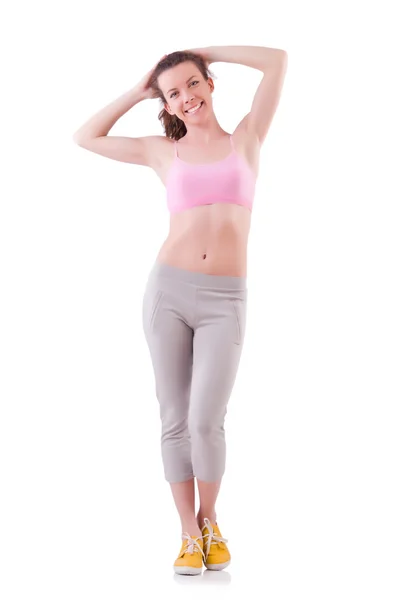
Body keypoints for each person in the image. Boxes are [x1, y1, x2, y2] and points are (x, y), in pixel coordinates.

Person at [73, 45, 288, 575]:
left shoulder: (248, 138)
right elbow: (85, 137)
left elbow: (278, 60)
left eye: (193, 84)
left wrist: (204, 51)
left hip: (225, 300)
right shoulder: (161, 152)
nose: (186, 98)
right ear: (165, 105)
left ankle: (209, 518)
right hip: (168, 292)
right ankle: (188, 533)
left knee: (205, 420)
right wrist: (141, 89)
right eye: (174, 94)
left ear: (210, 84)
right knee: (174, 419)